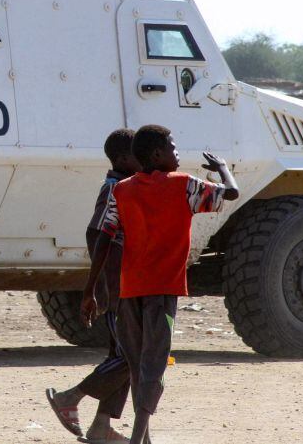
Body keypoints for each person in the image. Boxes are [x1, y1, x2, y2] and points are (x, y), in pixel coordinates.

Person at [98, 125, 239, 444]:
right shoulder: (183, 185)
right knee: (154, 365)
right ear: (158, 154)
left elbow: (105, 235)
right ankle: (137, 438)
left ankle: (144, 438)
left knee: (137, 366)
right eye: (174, 149)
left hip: (130, 287)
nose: (178, 154)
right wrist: (223, 169)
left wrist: (97, 285)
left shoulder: (122, 189)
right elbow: (230, 194)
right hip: (163, 289)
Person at [46, 128, 139, 444]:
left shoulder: (127, 186)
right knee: (133, 357)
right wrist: (97, 288)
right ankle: (70, 397)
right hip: (118, 289)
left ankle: (101, 427)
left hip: (127, 286)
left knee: (123, 355)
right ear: (125, 159)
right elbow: (97, 235)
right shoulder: (114, 190)